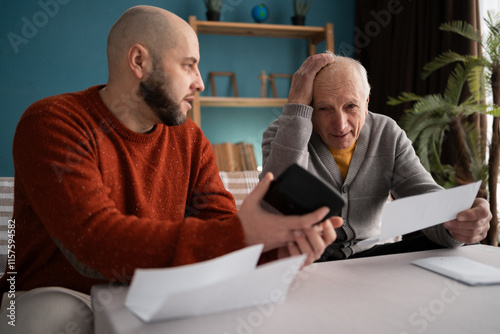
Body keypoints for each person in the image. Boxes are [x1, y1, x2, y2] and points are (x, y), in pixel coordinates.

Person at [0, 6, 342, 333]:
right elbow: (92, 242)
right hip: (51, 293)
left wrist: (278, 252)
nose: (200, 83)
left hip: (159, 290)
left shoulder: (189, 139)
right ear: (139, 62)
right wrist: (242, 234)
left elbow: (221, 231)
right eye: (188, 66)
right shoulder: (52, 122)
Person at [260, 52, 491, 261]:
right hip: (309, 257)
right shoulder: (283, 132)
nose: (340, 125)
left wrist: (460, 222)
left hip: (370, 254)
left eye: (351, 106)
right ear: (309, 107)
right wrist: (296, 108)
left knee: (446, 245)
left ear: (367, 101)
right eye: (324, 108)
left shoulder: (387, 132)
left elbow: (425, 198)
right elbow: (274, 209)